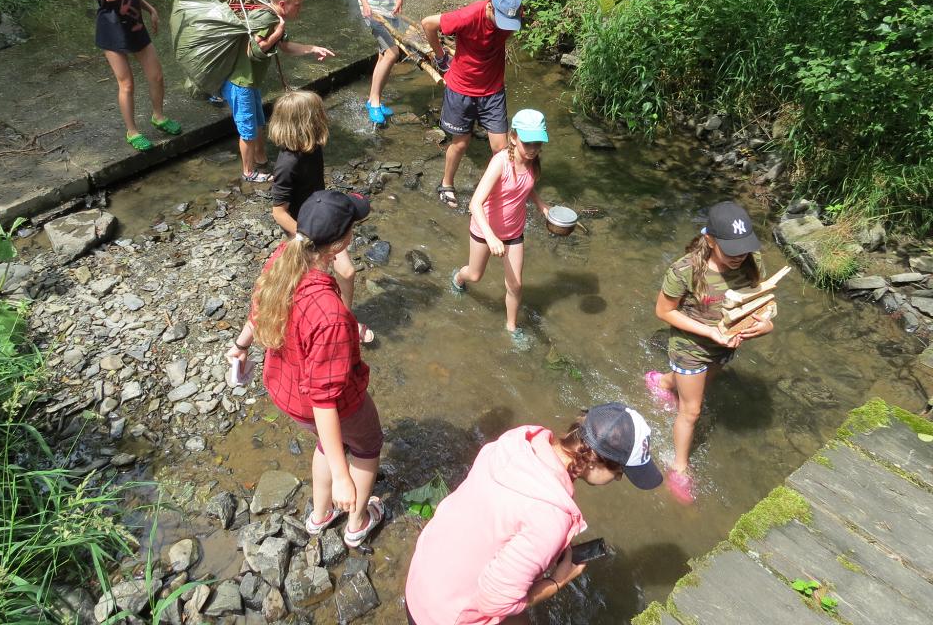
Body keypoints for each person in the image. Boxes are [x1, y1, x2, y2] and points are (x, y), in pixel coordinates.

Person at [405, 402, 662, 625]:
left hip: (422, 575)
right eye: (620, 472)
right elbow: (494, 603)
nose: (618, 479)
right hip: (443, 616)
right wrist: (557, 581)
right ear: (594, 461)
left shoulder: (519, 441)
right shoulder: (551, 518)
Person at [226, 190, 384, 547]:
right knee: (367, 443)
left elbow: (258, 308)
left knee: (327, 445)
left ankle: (320, 514)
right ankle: (357, 521)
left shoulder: (283, 257)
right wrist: (344, 478)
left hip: (287, 392)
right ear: (340, 243)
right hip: (327, 403)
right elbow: (326, 399)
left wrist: (240, 345)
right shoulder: (331, 315)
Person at [645, 201, 775, 504]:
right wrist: (709, 332)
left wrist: (765, 323)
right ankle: (679, 467)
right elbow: (663, 312)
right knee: (692, 410)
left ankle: (662, 382)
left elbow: (761, 300)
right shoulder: (686, 270)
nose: (739, 256)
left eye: (743, 248)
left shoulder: (752, 261)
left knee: (708, 379)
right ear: (711, 240)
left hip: (727, 343)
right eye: (731, 250)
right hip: (690, 347)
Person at [268, 90, 372, 343]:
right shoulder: (287, 164)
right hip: (305, 230)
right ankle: (297, 321)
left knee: (343, 273)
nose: (325, 117)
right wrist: (307, 237)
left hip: (321, 217)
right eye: (320, 114)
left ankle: (346, 318)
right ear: (308, 122)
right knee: (306, 276)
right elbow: (278, 211)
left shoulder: (312, 148)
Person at [450, 109, 550, 347]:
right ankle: (458, 277)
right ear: (514, 137)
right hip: (485, 230)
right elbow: (475, 203)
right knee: (475, 275)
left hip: (514, 232)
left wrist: (541, 205)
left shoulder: (533, 163)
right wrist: (491, 236)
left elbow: (527, 186)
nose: (534, 148)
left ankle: (511, 326)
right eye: (528, 142)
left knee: (515, 284)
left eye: (538, 142)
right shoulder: (500, 163)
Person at [221, 0, 335, 182]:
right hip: (240, 82)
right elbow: (253, 49)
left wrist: (312, 48)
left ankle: (262, 161)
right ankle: (248, 173)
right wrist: (278, 32)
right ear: (283, 4)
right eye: (297, 5)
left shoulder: (272, 17)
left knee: (258, 123)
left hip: (250, 81)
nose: (299, 10)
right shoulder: (269, 19)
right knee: (247, 128)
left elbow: (286, 47)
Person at [421, 0, 523, 209]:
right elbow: (427, 23)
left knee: (501, 148)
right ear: (490, 7)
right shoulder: (467, 16)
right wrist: (440, 57)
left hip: (493, 89)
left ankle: (496, 191)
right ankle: (446, 184)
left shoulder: (514, 10)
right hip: (462, 88)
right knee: (461, 142)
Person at [92, 0, 179, 152]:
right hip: (112, 31)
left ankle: (158, 116)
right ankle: (132, 131)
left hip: (135, 26)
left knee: (156, 75)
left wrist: (150, 9)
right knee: (127, 84)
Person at [193, 0, 230, 105]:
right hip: (202, 23)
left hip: (209, 18)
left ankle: (211, 88)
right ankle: (211, 91)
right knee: (211, 57)